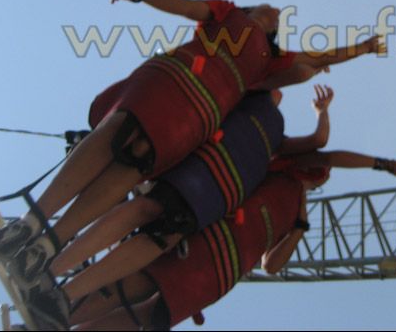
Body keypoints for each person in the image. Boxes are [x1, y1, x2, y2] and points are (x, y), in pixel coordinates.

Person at [0, 0, 382, 288]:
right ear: (251, 10)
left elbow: (320, 58)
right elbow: (187, 6)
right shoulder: (227, 13)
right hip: (172, 80)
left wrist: (362, 48)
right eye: (269, 7)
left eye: (278, 17)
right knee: (116, 131)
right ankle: (31, 223)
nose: (277, 13)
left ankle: (48, 244)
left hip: (198, 114)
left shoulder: (270, 61)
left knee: (135, 165)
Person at [32, 150, 396, 330]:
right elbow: (332, 153)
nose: (322, 171)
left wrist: (300, 228)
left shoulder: (297, 214)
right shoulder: (279, 169)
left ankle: (59, 320)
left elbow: (272, 265)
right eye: (319, 168)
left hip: (221, 270)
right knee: (133, 283)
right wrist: (384, 164)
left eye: (322, 174)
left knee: (147, 315)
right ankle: (56, 311)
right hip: (208, 240)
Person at [25, 85, 334, 294]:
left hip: (198, 186)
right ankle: (49, 257)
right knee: (137, 201)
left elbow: (317, 141)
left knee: (146, 218)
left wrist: (322, 113)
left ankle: (57, 274)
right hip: (187, 169)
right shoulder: (247, 107)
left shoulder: (271, 147)